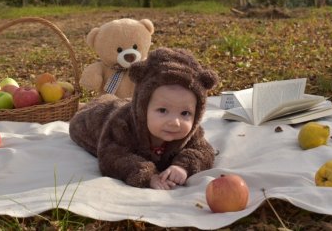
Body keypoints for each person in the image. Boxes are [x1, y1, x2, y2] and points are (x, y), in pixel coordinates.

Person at [69, 47, 219, 189]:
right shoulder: (122, 125)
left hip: (128, 103)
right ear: (143, 109)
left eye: (185, 113)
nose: (175, 122)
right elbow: (112, 156)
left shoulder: (192, 132)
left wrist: (183, 167)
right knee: (94, 112)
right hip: (99, 116)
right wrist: (148, 176)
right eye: (163, 110)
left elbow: (203, 151)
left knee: (122, 101)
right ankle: (104, 101)